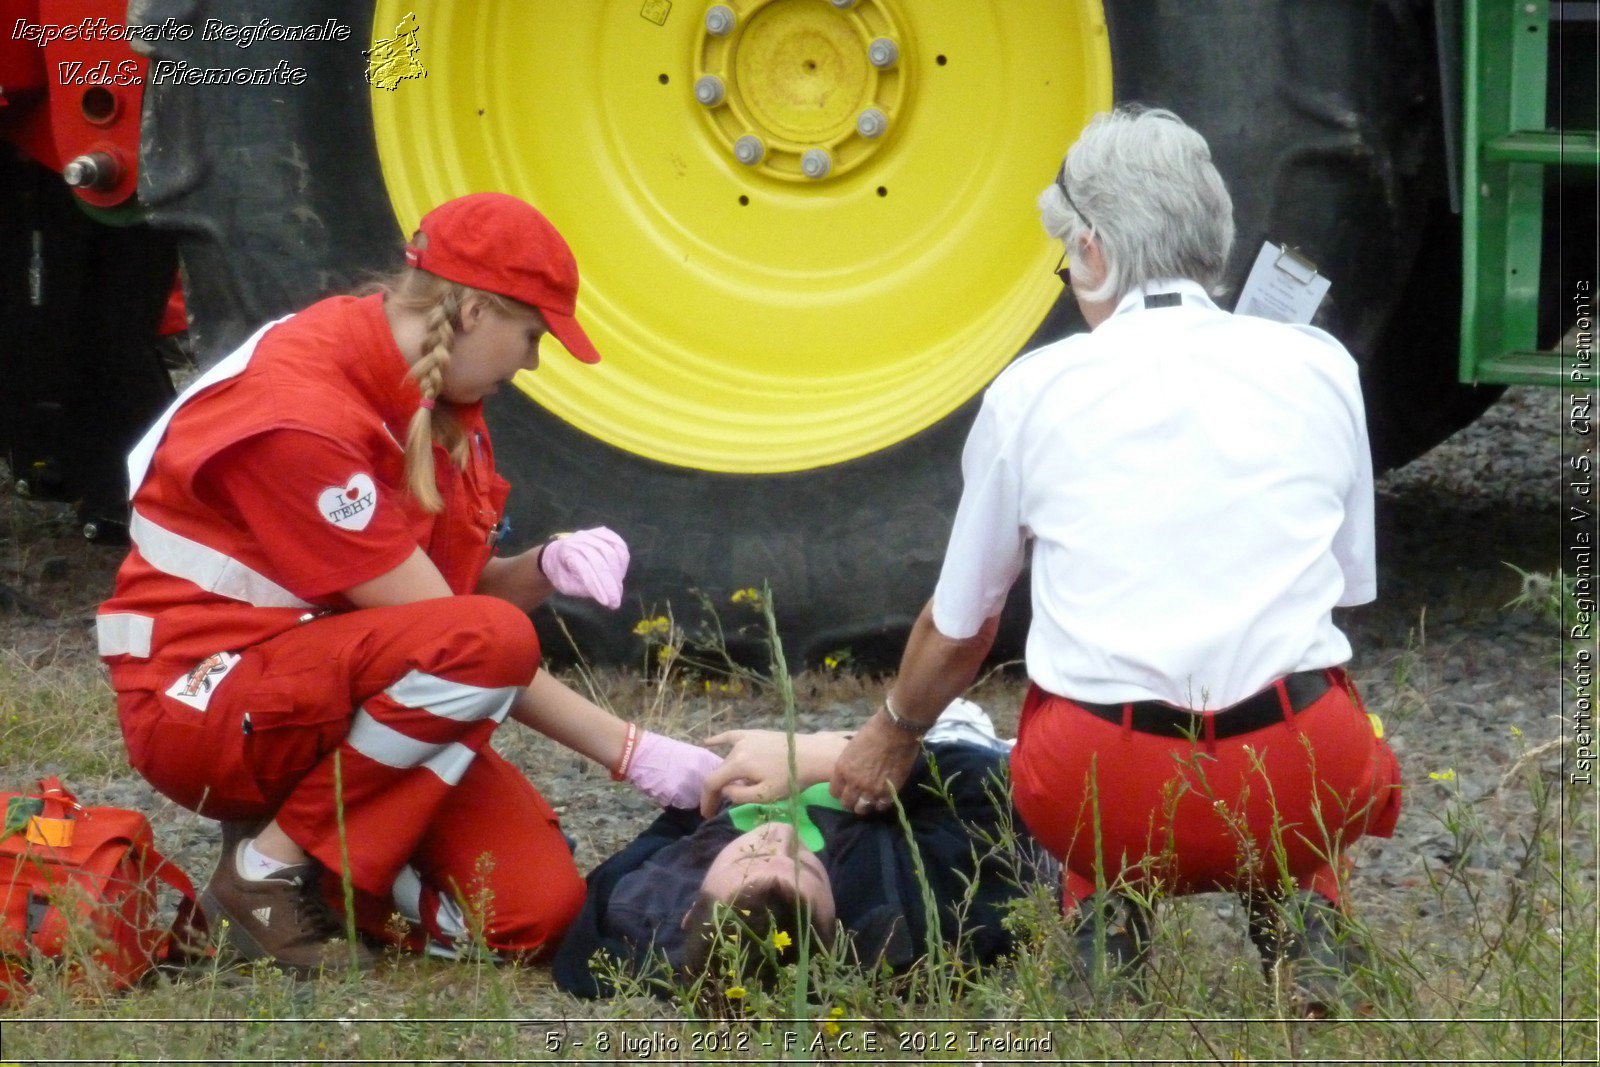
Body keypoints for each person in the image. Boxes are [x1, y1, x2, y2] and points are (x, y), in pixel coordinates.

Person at [829, 107, 1403, 1010]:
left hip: (1111, 786)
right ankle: (1306, 914)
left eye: (1067, 261)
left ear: (1092, 251)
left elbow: (961, 628)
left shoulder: (1032, 391)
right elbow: (1347, 588)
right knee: (1314, 687)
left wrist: (893, 731)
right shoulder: (1321, 363)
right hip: (1298, 773)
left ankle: (1107, 909)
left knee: (1068, 694)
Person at [96, 193, 721, 975]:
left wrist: (543, 567)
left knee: (534, 916)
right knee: (486, 645)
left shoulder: (439, 392)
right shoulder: (301, 413)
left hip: (324, 689)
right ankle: (264, 877)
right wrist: (632, 750)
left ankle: (291, 875)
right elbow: (460, 634)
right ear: (470, 310)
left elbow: (446, 609)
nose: (532, 360)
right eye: (532, 335)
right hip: (205, 705)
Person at [552, 710, 1033, 999]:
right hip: (930, 751)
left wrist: (690, 799)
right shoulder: (910, 906)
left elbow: (580, 958)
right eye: (804, 865)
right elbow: (994, 792)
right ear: (837, 924)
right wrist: (831, 757)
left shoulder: (641, 904)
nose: (779, 834)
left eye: (749, 855)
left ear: (688, 912)